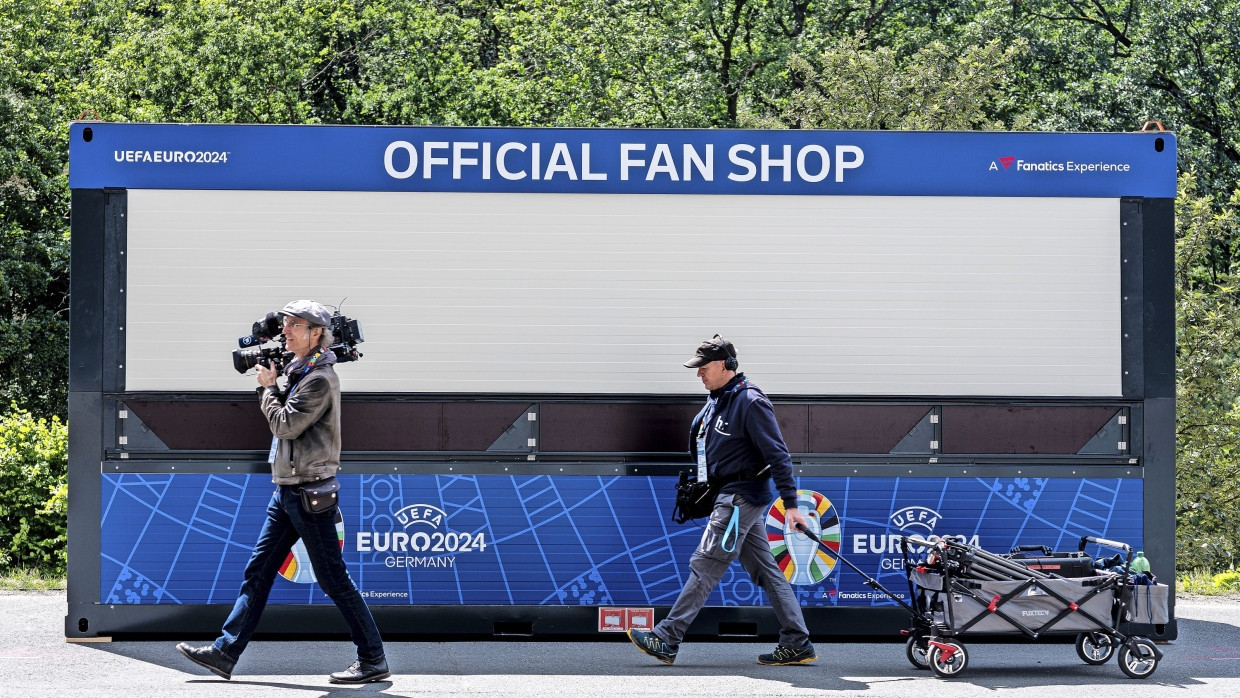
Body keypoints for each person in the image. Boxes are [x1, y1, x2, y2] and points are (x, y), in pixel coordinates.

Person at [176, 300, 389, 683]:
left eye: (294, 326)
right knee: (258, 571)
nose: (285, 331)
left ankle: (373, 659)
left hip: (309, 495)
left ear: (316, 333)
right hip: (288, 492)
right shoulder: (300, 370)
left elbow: (286, 425)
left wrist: (268, 388)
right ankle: (224, 653)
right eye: (286, 324)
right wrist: (276, 377)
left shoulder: (319, 379)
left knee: (334, 580)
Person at [628, 335, 816, 666]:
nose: (698, 373)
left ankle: (667, 638)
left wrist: (791, 506)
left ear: (723, 365)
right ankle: (798, 642)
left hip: (740, 498)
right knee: (767, 572)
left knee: (706, 563)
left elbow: (779, 456)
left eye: (703, 367)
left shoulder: (750, 401)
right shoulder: (718, 400)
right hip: (732, 497)